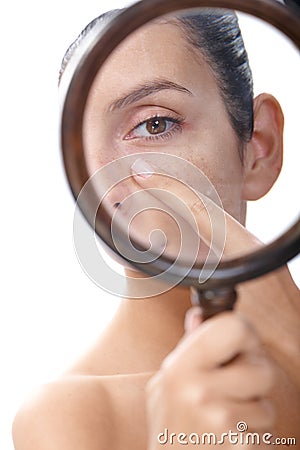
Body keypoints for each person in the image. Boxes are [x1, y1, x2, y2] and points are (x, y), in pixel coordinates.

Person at [12, 7, 300, 450]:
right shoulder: (76, 416)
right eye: (83, 148)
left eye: (154, 124)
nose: (108, 178)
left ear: (259, 147)